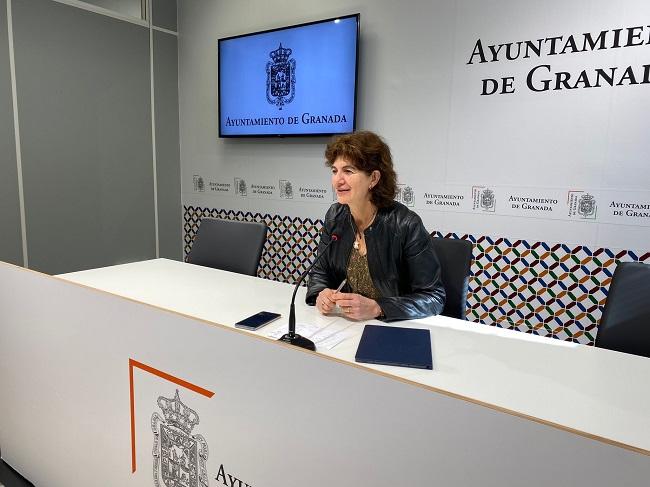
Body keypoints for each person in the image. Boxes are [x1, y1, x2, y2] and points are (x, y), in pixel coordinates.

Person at [306, 131, 445, 321]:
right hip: (345, 326)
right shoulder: (335, 216)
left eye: (348, 171)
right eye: (334, 170)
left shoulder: (405, 224)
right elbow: (320, 272)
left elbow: (433, 297)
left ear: (374, 178)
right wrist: (321, 293)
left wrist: (379, 308)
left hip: (394, 329)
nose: (338, 180)